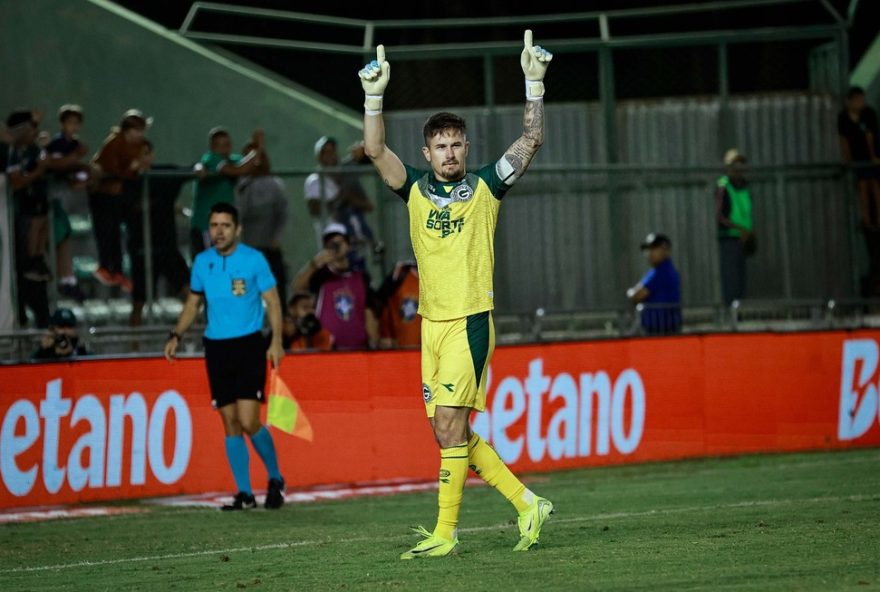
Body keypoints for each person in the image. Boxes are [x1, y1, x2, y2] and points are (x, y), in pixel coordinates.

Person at [359, 30, 554, 559]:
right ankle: (528, 503)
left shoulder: (488, 186)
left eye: (455, 144)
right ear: (428, 151)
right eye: (439, 146)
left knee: (450, 426)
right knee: (448, 432)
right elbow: (374, 148)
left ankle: (446, 533)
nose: (448, 153)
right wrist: (374, 97)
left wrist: (533, 84)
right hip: (431, 324)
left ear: (467, 147)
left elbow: (530, 141)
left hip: (469, 319)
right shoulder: (416, 188)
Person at [164, 202, 286, 511]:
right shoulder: (202, 262)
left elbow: (272, 301)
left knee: (248, 420)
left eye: (225, 226)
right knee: (229, 423)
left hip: (248, 346)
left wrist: (277, 342)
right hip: (216, 348)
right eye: (214, 226)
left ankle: (275, 478)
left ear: (237, 229)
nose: (218, 231)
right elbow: (193, 304)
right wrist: (176, 335)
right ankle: (244, 493)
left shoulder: (254, 260)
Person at [126, 141, 191, 326]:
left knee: (191, 294)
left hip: (166, 246)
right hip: (141, 249)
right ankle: (135, 348)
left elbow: (191, 170)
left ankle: (184, 337)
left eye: (146, 153)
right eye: (139, 154)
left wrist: (200, 167)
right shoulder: (128, 182)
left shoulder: (164, 175)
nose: (143, 158)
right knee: (138, 302)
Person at [89, 109, 153, 292]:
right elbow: (112, 171)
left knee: (116, 233)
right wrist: (133, 167)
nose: (139, 134)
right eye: (136, 130)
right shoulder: (115, 143)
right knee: (106, 231)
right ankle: (105, 266)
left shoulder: (140, 145)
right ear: (127, 130)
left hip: (118, 195)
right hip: (103, 193)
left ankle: (117, 271)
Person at [292, 222, 379, 350]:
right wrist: (314, 265)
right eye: (330, 244)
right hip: (327, 348)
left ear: (348, 245)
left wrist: (374, 341)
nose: (335, 247)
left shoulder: (360, 277)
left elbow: (368, 312)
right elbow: (297, 287)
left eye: (340, 242)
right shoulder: (321, 275)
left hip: (358, 349)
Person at [2, 109, 51, 326]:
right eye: (31, 127)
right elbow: (18, 181)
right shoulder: (10, 150)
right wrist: (40, 170)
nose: (35, 132)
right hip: (17, 219)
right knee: (20, 276)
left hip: (32, 216)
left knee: (34, 281)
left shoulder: (33, 150)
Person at [190, 127, 263, 259]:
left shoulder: (231, 160)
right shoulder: (211, 159)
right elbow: (237, 170)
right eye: (221, 146)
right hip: (206, 226)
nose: (225, 150)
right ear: (212, 147)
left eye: (228, 145)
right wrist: (256, 150)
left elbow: (253, 165)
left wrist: (255, 148)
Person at [837, 86, 880, 295]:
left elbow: (870, 136)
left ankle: (877, 217)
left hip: (868, 159)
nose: (861, 102)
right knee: (863, 185)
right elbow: (844, 141)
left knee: (873, 183)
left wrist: (872, 157)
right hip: (858, 160)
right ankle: (867, 219)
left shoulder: (869, 114)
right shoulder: (844, 118)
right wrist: (849, 161)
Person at [235, 145, 289, 311]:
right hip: (249, 246)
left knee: (278, 283)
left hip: (270, 246)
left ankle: (282, 317)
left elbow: (283, 213)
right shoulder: (241, 186)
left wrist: (276, 237)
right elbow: (239, 212)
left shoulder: (275, 184)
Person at [46, 104, 90, 302]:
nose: (73, 127)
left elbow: (73, 173)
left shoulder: (74, 144)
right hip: (47, 198)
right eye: (69, 122)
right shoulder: (57, 144)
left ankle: (67, 279)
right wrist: (75, 158)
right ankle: (62, 279)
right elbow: (55, 164)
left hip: (60, 198)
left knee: (64, 234)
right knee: (56, 235)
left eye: (76, 123)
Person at [715, 148, 754, 305]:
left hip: (743, 239)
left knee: (741, 278)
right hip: (729, 239)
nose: (738, 169)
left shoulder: (745, 186)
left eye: (740, 165)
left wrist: (749, 233)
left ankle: (740, 313)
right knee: (731, 279)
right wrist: (740, 230)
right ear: (728, 167)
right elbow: (720, 217)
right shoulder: (723, 186)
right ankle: (732, 315)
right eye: (734, 165)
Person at [626, 233, 681, 335]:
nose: (650, 253)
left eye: (654, 248)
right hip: (662, 331)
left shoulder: (661, 272)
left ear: (666, 250)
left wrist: (630, 293)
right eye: (648, 249)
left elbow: (636, 295)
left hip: (659, 333)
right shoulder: (664, 271)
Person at [377, 261, 421, 349]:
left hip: (432, 352)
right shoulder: (401, 273)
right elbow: (383, 303)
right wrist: (385, 335)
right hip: (403, 350)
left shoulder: (443, 278)